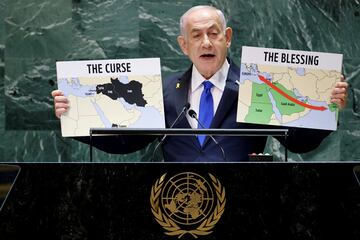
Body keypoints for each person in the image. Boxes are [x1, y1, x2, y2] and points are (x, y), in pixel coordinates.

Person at [52, 5, 348, 162]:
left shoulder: (256, 86)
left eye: (214, 33)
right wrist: (74, 116)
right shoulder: (164, 91)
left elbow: (298, 142)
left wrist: (324, 108)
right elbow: (126, 143)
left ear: (227, 38)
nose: (206, 42)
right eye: (196, 35)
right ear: (184, 45)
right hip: (177, 207)